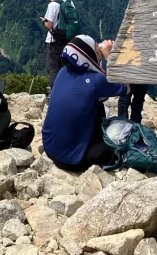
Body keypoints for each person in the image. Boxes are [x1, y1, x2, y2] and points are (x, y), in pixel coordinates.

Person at [42, 35, 130, 171]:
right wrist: (110, 56)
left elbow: (98, 79)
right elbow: (126, 86)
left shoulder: (63, 72)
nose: (99, 48)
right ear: (87, 55)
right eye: (96, 47)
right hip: (72, 161)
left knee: (98, 105)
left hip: (49, 148)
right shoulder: (95, 82)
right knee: (119, 138)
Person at [40, 0, 68, 89]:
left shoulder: (53, 4)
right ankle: (67, 92)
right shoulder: (68, 2)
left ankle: (55, 94)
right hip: (68, 40)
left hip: (55, 41)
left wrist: (43, 21)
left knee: (53, 69)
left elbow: (49, 24)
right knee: (65, 67)